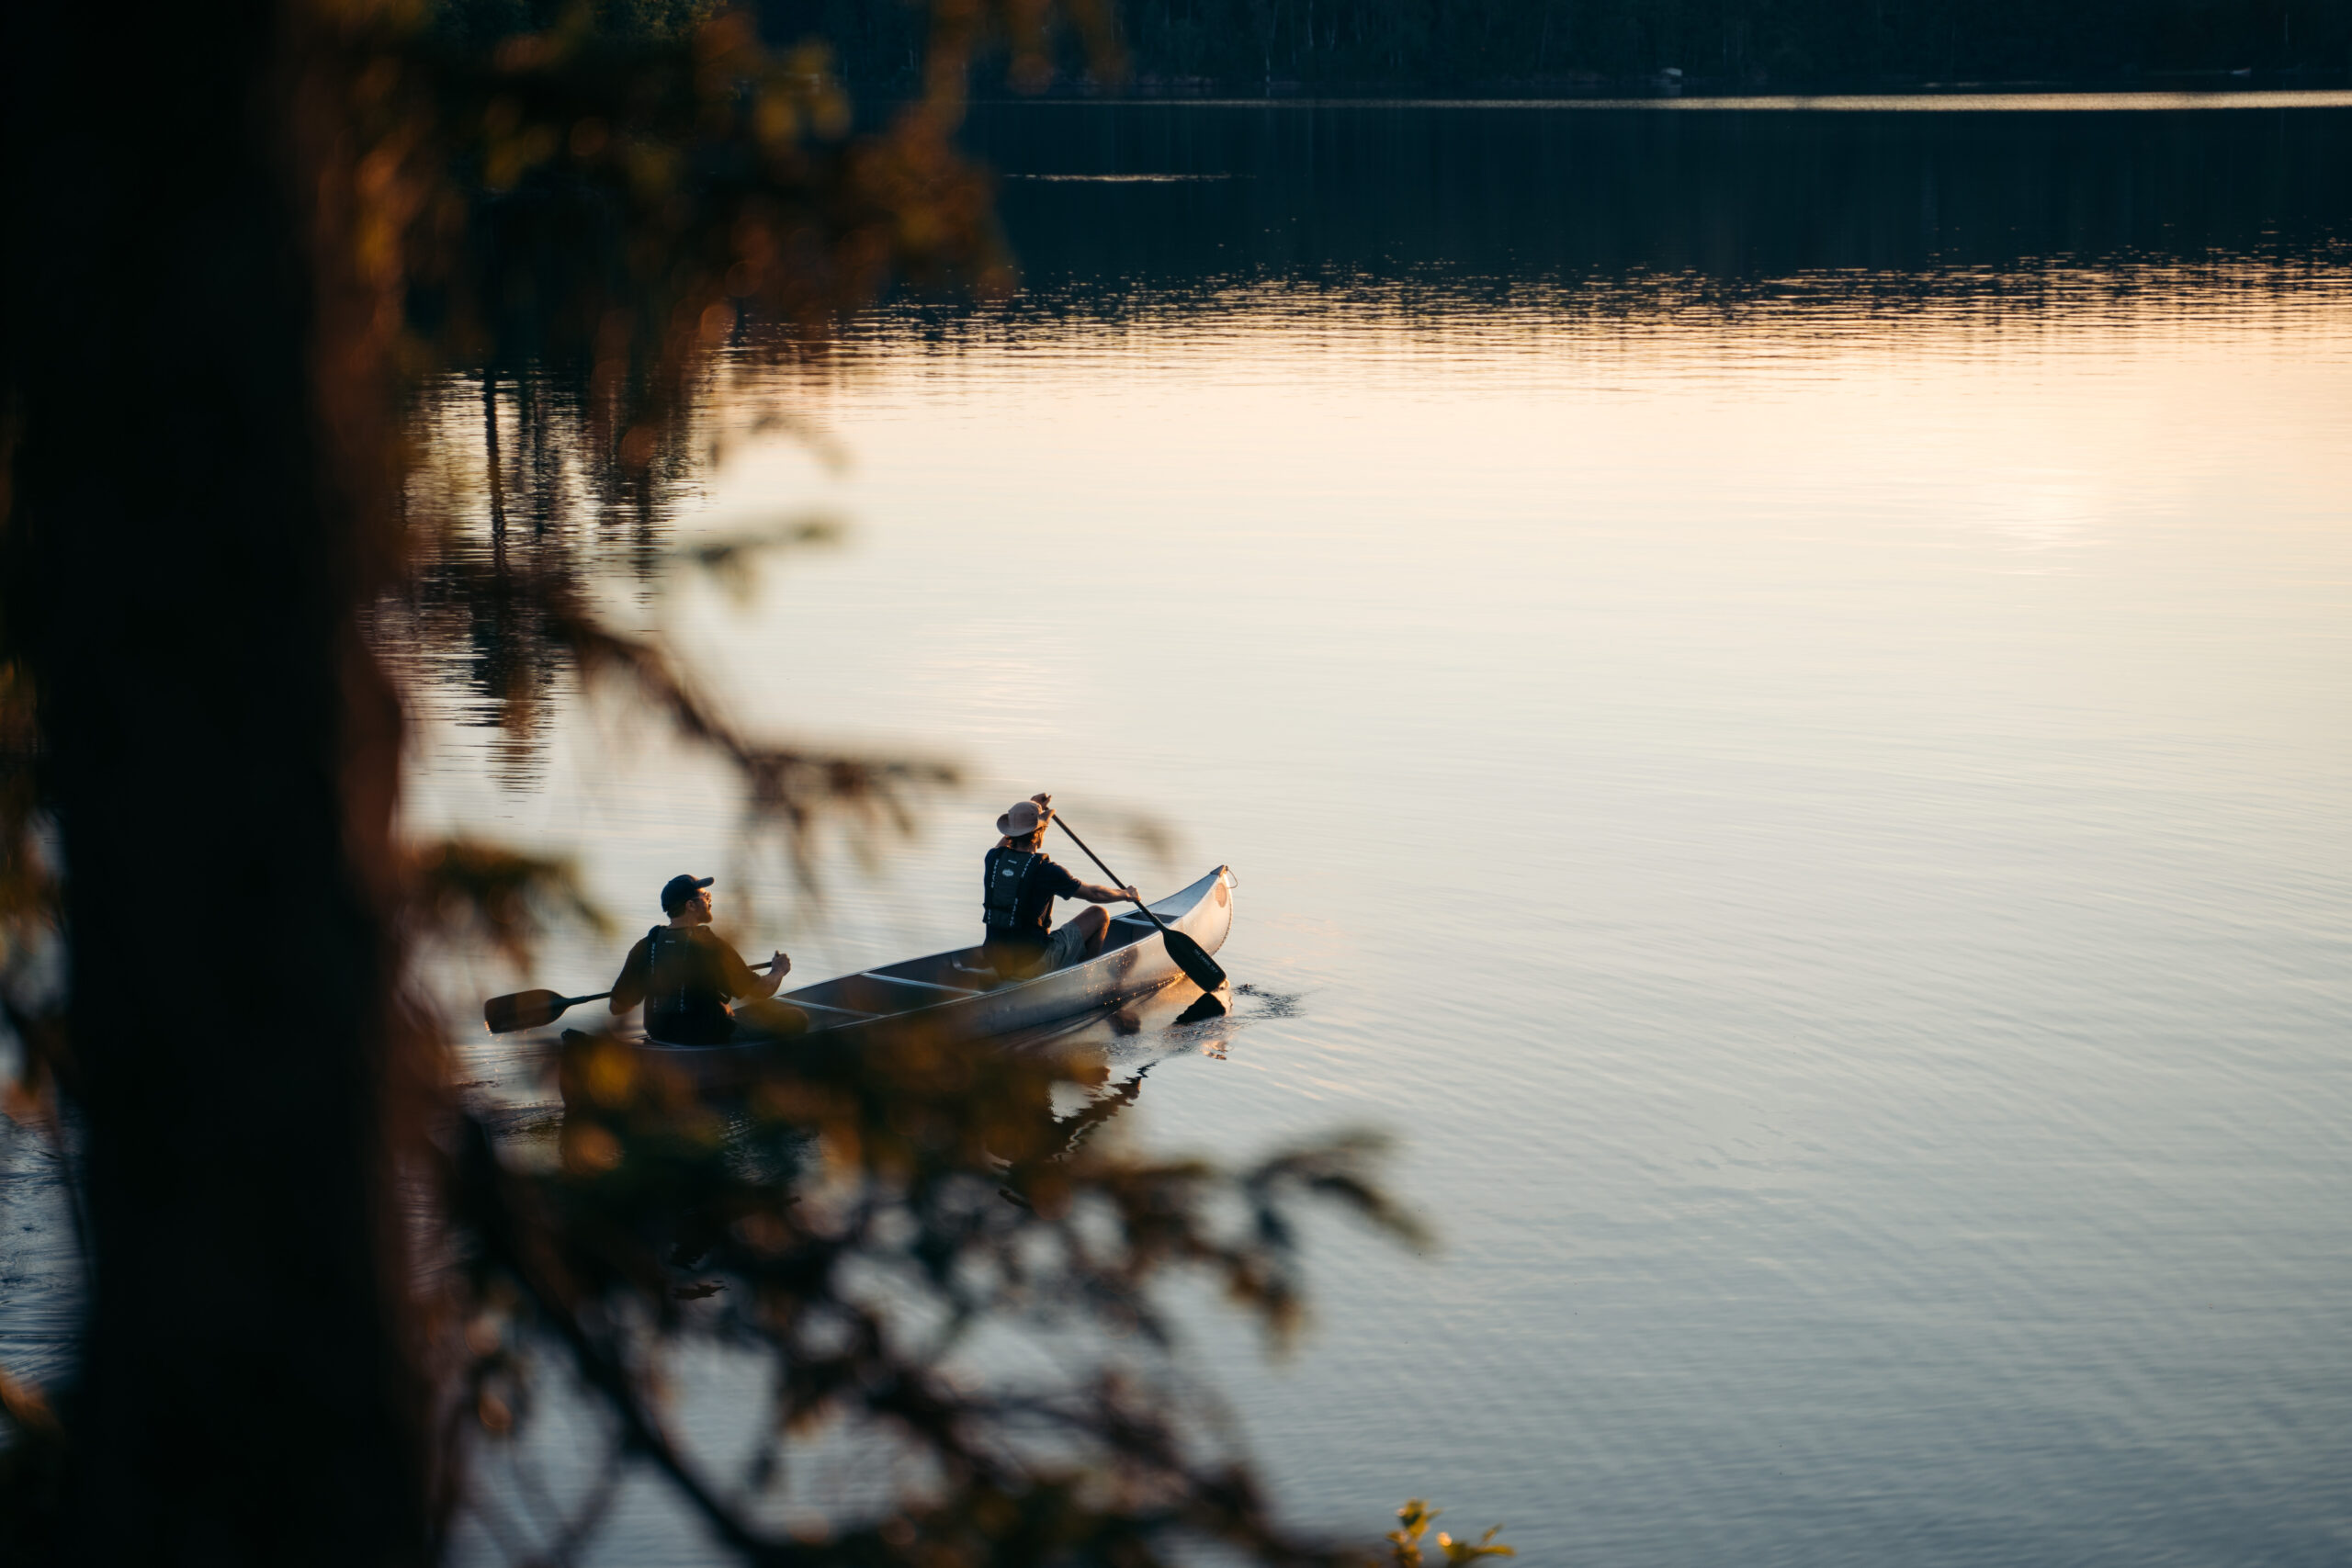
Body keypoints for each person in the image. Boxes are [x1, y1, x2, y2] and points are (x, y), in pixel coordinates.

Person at [609, 874, 807, 1043]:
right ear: (691, 905)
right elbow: (761, 990)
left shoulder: (644, 946)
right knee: (797, 1018)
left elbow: (617, 1007)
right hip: (709, 1037)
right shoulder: (712, 946)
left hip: (661, 1036)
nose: (710, 899)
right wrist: (778, 970)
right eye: (705, 895)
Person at [979, 795, 1138, 981]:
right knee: (1099, 914)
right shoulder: (1047, 870)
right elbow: (1093, 893)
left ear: (1010, 833)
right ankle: (1086, 981)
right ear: (1039, 834)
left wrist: (1034, 807)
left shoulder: (993, 859)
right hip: (1033, 963)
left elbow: (1004, 844)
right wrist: (1126, 894)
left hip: (995, 961)